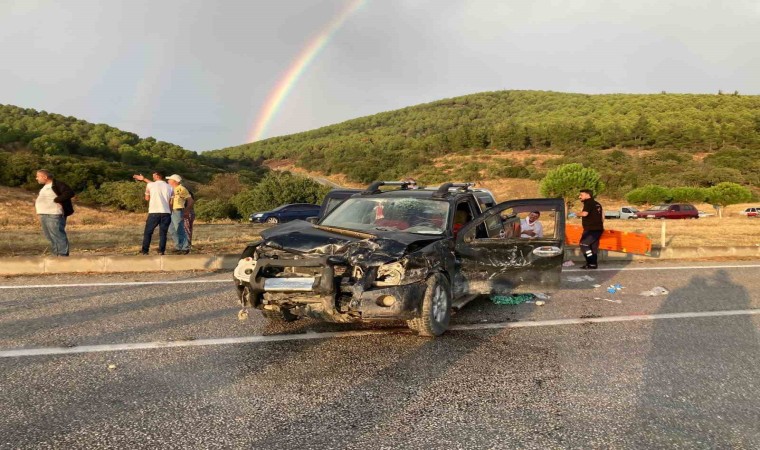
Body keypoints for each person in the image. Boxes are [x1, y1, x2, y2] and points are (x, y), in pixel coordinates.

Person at [34, 169, 74, 256]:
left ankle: (62, 256)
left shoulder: (57, 184)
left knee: (58, 235)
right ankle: (56, 254)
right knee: (50, 236)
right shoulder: (45, 187)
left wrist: (57, 199)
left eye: (38, 176)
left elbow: (69, 192)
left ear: (45, 177)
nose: (36, 178)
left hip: (54, 214)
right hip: (44, 214)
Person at [133, 172, 173, 255]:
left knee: (148, 232)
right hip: (166, 212)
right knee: (163, 233)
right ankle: (161, 251)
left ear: (157, 176)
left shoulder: (150, 185)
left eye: (154, 176)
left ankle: (145, 250)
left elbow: (147, 198)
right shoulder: (170, 187)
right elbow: (170, 202)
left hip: (154, 212)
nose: (153, 177)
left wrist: (144, 180)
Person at [577, 189, 604, 269]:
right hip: (598, 229)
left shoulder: (588, 202)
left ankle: (591, 262)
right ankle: (593, 264)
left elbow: (585, 214)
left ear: (587, 195)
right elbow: (603, 216)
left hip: (591, 229)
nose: (579, 197)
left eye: (581, 195)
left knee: (584, 244)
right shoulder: (597, 204)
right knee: (593, 247)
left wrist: (576, 214)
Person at [166, 174, 193, 254]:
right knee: (171, 229)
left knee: (179, 229)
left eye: (170, 179)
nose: (168, 181)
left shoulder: (181, 189)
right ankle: (178, 246)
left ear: (175, 181)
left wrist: (186, 210)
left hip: (177, 210)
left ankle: (185, 247)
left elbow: (190, 200)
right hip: (169, 211)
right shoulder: (170, 189)